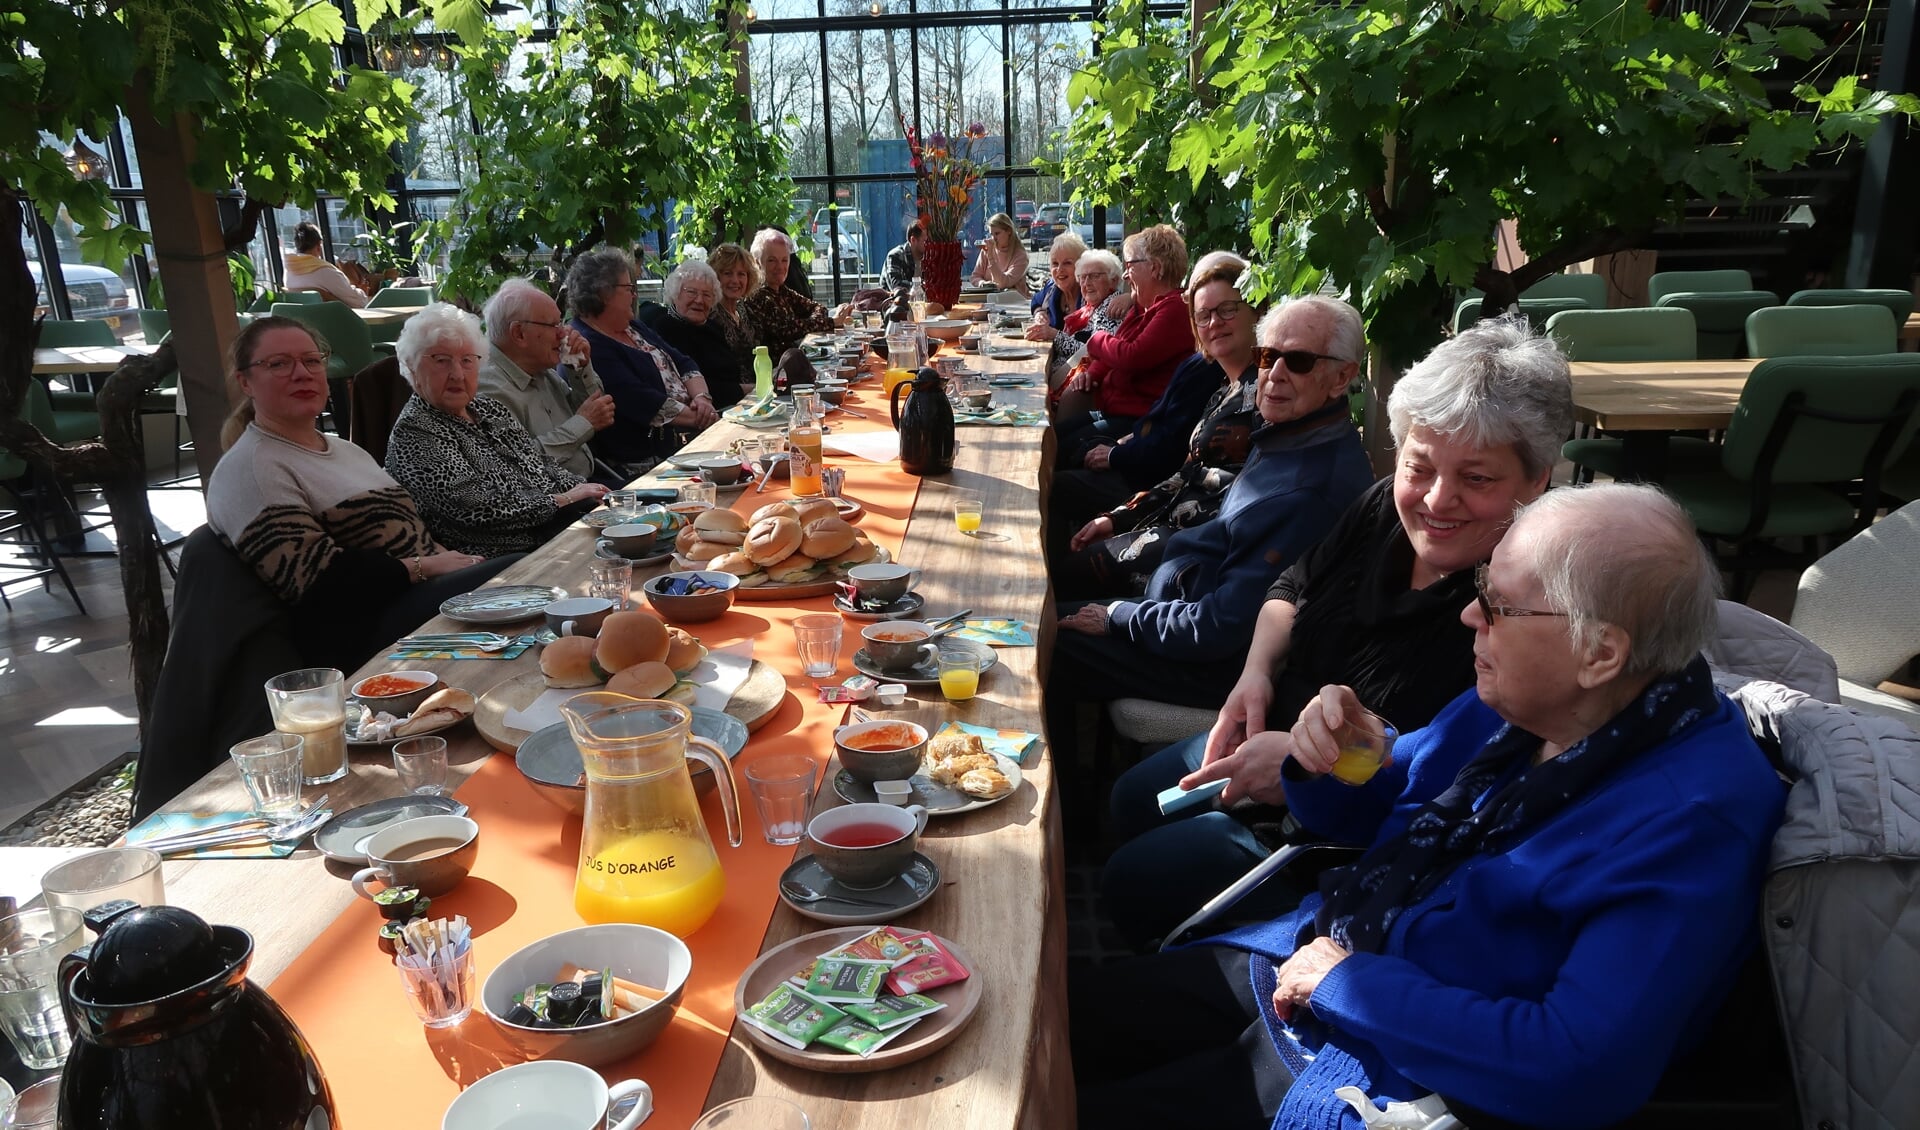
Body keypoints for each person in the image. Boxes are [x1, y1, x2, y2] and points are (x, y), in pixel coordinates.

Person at [1071, 484, 1787, 1130]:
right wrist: (1332, 759)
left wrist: (1349, 983)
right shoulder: (1524, 706)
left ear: (1600, 652)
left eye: (1500, 606)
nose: (1471, 612)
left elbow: (1579, 1067)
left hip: (1388, 1065)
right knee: (1056, 1024)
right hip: (1314, 964)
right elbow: (1360, 818)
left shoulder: (1694, 818)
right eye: (1483, 587)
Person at [1098, 317, 1575, 949]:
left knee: (1133, 881)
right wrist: (1255, 677)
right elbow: (1291, 585)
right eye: (1420, 466)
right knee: (1129, 799)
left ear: (1537, 479)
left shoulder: (1522, 605)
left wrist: (1301, 770)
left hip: (1335, 831)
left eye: (1477, 478)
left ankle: (1191, 983)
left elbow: (1443, 782)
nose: (1437, 499)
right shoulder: (1384, 508)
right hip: (1271, 739)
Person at [1046, 295, 1374, 733]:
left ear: (1341, 378)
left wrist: (1120, 617)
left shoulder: (1308, 489)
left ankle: (1059, 794)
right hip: (1178, 609)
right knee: (1048, 615)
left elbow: (1220, 628)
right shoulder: (1289, 435)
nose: (1273, 375)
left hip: (1217, 663)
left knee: (1046, 644)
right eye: (1267, 356)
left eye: (1297, 361)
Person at [204, 316, 515, 673]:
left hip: (421, 600)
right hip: (365, 638)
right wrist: (422, 566)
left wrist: (453, 563)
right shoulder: (252, 468)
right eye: (278, 364)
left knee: (526, 576)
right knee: (515, 574)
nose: (302, 373)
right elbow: (316, 583)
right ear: (245, 381)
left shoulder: (343, 450)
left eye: (311, 360)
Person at [1048, 252, 1265, 601]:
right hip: (1165, 513)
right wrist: (1118, 519)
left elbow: (1177, 462)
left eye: (1227, 310)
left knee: (1062, 578)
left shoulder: (1267, 395)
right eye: (1204, 315)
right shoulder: (1224, 385)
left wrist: (1120, 460)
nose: (1214, 323)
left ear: (1257, 311)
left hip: (1194, 554)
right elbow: (1187, 471)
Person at [384, 304, 609, 557]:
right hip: (498, 561)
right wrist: (564, 500)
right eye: (441, 361)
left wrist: (591, 493)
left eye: (467, 360)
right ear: (411, 367)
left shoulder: (489, 409)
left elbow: (541, 466)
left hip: (554, 537)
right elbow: (478, 508)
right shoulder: (416, 430)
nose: (458, 374)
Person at [565, 246, 719, 469]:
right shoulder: (590, 344)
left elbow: (683, 361)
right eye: (628, 287)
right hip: (649, 462)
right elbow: (644, 403)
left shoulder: (632, 326)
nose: (634, 294)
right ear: (603, 292)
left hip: (689, 435)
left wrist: (703, 399)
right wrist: (704, 417)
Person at [1055, 224, 1194, 436]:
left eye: (1129, 265)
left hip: (1139, 421)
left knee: (1061, 447)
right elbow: (1115, 349)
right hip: (1113, 410)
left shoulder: (1174, 308)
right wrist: (1092, 373)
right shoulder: (1141, 306)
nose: (1126, 276)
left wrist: (1097, 339)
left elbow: (1132, 356)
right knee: (1056, 436)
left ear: (1155, 268)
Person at [478, 277, 617, 481]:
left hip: (588, 484)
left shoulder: (540, 369)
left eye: (561, 322)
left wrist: (578, 368)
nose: (563, 334)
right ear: (519, 334)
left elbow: (598, 413)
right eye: (553, 325)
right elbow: (519, 464)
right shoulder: (489, 389)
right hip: (554, 504)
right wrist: (583, 422)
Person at [639, 259, 748, 409]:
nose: (699, 300)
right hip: (704, 412)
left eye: (706, 295)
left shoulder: (713, 327)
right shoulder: (665, 327)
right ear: (675, 293)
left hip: (735, 406)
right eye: (691, 292)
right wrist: (748, 390)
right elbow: (686, 383)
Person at [741, 228, 834, 361]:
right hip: (773, 371)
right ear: (757, 263)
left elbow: (818, 308)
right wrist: (829, 322)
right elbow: (786, 330)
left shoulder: (782, 290)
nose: (780, 267)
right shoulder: (757, 295)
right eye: (772, 260)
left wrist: (812, 322)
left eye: (784, 260)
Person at [708, 242, 762, 389]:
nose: (735, 281)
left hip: (758, 387)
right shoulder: (711, 315)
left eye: (741, 274)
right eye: (728, 273)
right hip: (735, 396)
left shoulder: (742, 309)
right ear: (715, 277)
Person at [281, 221, 370, 307]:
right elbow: (359, 303)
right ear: (319, 246)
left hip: (303, 321)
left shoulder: (288, 271)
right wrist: (362, 292)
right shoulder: (326, 272)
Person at [1027, 231, 1087, 340]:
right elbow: (1036, 300)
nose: (1059, 269)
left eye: (1067, 263)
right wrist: (1039, 313)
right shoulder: (1052, 288)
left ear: (1081, 265)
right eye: (1055, 263)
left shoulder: (1090, 293)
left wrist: (1128, 299)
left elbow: (1090, 346)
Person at [969, 211, 1031, 295]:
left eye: (997, 234)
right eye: (991, 234)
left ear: (1009, 231)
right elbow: (974, 276)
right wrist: (982, 283)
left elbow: (1002, 283)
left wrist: (990, 257)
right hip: (991, 299)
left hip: (1015, 302)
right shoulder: (987, 250)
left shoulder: (1020, 256)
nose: (993, 238)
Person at [881, 223, 924, 293]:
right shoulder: (895, 256)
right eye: (925, 241)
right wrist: (921, 286)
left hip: (920, 302)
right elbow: (896, 286)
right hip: (892, 301)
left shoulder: (928, 258)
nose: (929, 244)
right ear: (913, 240)